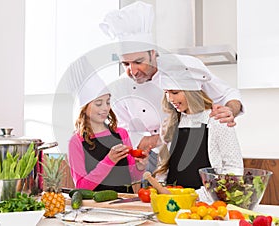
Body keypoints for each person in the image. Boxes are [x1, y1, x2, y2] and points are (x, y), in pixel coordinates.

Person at [99, 1, 244, 174]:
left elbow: (228, 93)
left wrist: (229, 110)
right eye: (126, 64)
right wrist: (161, 138)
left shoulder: (184, 66)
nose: (133, 71)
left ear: (153, 53)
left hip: (200, 149)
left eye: (138, 62)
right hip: (152, 157)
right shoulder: (119, 88)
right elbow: (123, 132)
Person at [152, 54, 243, 189]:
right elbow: (164, 168)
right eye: (166, 92)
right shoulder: (171, 123)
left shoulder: (217, 120)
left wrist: (211, 195)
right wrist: (160, 188)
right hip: (173, 200)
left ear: (192, 92)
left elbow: (233, 168)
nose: (170, 98)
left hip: (206, 203)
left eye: (175, 92)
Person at [67, 57, 149, 193]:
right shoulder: (76, 141)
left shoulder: (121, 134)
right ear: (84, 108)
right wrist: (109, 160)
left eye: (107, 102)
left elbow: (132, 177)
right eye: (99, 103)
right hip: (95, 207)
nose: (105, 108)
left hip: (125, 203)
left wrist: (140, 167)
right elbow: (81, 187)